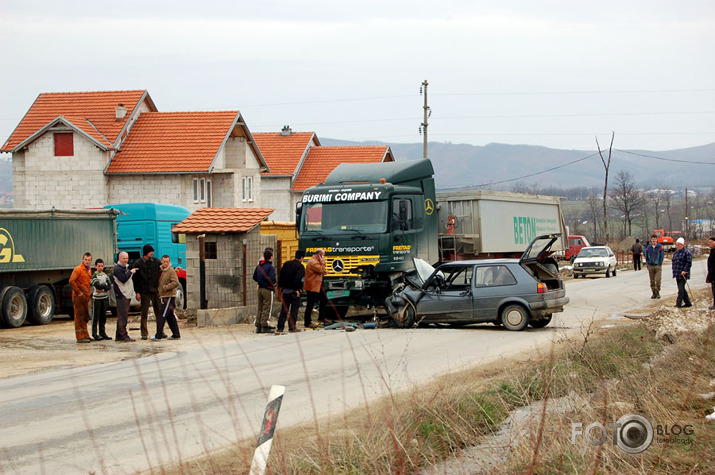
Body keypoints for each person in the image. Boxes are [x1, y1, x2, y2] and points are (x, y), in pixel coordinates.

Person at [132, 244, 162, 340]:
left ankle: (160, 331)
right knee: (144, 313)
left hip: (155, 291)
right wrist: (137, 292)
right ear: (146, 253)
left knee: (159, 312)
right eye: (150, 252)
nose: (152, 254)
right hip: (144, 292)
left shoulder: (156, 262)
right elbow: (135, 280)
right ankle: (144, 333)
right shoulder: (138, 264)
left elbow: (163, 270)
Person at [153, 255, 181, 340]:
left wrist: (166, 287)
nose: (165, 263)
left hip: (169, 296)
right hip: (164, 296)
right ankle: (176, 334)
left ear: (169, 262)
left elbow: (176, 282)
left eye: (167, 262)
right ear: (161, 261)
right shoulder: (162, 270)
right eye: (164, 261)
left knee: (162, 315)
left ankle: (158, 335)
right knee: (170, 316)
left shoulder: (171, 270)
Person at [277, 250, 306, 333]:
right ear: (301, 257)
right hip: (293, 291)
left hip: (285, 291)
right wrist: (296, 289)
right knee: (294, 310)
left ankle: (280, 327)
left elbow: (281, 275)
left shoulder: (286, 264)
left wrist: (281, 288)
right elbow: (298, 279)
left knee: (284, 309)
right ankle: (292, 327)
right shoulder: (300, 267)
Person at [69, 252, 93, 343]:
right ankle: (79, 337)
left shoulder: (89, 270)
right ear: (83, 260)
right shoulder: (78, 269)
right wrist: (78, 292)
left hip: (86, 296)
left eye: (89, 260)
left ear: (91, 261)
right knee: (79, 316)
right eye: (85, 260)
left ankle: (85, 334)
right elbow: (71, 281)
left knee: (85, 316)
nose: (87, 261)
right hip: (78, 297)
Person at [113, 251, 136, 341]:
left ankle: (119, 335)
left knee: (122, 316)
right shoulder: (118, 269)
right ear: (119, 258)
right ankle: (123, 335)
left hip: (126, 294)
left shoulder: (124, 268)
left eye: (127, 258)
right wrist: (130, 272)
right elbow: (123, 279)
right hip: (122, 295)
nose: (126, 260)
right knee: (123, 316)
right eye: (124, 258)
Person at [252, 248, 277, 333]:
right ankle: (265, 325)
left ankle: (258, 325)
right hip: (267, 289)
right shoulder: (270, 267)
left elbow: (254, 277)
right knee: (267, 307)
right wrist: (272, 284)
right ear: (271, 257)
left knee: (260, 307)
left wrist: (260, 281)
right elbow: (273, 279)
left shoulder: (259, 266)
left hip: (259, 288)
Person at [304, 248, 329, 328]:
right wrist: (323, 263)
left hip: (317, 286)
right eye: (323, 256)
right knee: (310, 304)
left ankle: (321, 317)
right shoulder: (313, 262)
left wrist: (323, 271)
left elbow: (319, 270)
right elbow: (320, 269)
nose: (324, 258)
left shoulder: (316, 262)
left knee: (324, 299)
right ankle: (307, 322)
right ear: (319, 255)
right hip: (312, 286)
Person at [90, 258, 112, 340]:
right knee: (95, 317)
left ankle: (102, 333)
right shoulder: (94, 276)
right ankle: (94, 334)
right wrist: (104, 286)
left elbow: (109, 286)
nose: (100, 268)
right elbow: (97, 286)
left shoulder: (105, 275)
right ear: (95, 266)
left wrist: (102, 288)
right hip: (97, 299)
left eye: (102, 266)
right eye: (99, 266)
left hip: (104, 298)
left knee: (103, 316)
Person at [672, 237, 692, 308]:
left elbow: (688, 263)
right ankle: (688, 303)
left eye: (679, 245)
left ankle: (678, 303)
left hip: (684, 274)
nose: (677, 246)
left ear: (682, 245)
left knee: (680, 289)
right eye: (676, 245)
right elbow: (674, 262)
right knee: (682, 289)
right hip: (677, 274)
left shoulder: (687, 253)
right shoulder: (676, 253)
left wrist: (685, 270)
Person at [644, 234, 664, 299]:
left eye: (655, 240)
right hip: (650, 266)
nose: (653, 241)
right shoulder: (648, 248)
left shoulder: (660, 247)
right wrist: (648, 264)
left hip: (657, 265)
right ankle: (653, 292)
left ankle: (658, 291)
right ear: (651, 240)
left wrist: (660, 263)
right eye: (652, 240)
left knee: (658, 279)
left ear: (656, 240)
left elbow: (662, 256)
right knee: (652, 280)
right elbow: (646, 256)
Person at [706, 236, 715, 310]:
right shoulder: (712, 251)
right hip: (712, 274)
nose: (709, 244)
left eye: (710, 242)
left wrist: (710, 274)